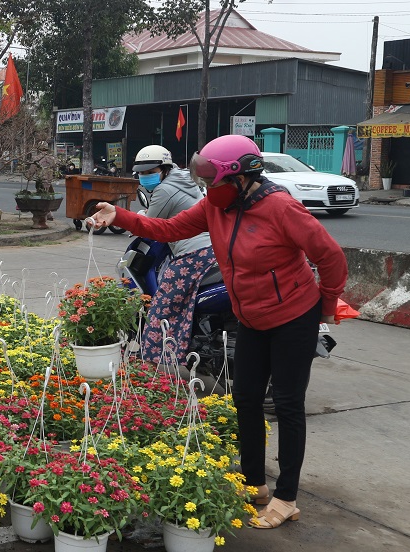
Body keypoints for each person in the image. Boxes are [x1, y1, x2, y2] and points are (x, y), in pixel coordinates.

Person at [90, 135, 347, 530]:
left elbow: (330, 257)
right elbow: (167, 228)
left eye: (215, 182)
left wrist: (324, 308)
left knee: (290, 406)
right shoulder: (215, 205)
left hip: (293, 317)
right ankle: (255, 484)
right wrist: (119, 216)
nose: (208, 190)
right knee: (245, 400)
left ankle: (286, 497)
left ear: (241, 178)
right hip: (252, 319)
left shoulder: (281, 208)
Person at [131, 144, 215, 363]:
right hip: (212, 249)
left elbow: (148, 225)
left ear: (165, 169)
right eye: (142, 173)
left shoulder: (164, 189)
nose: (145, 177)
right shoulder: (186, 180)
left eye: (150, 172)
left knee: (161, 305)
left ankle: (154, 360)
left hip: (193, 253)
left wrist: (138, 216)